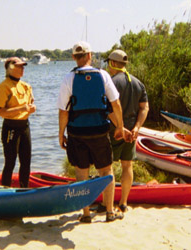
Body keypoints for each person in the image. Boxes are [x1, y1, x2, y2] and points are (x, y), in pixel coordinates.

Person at [57, 41, 128, 223]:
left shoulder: (68, 79)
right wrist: (120, 126)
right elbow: (116, 104)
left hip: (77, 133)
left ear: (74, 57)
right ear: (90, 55)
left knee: (82, 173)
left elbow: (63, 111)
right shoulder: (103, 75)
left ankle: (86, 213)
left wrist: (61, 134)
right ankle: (110, 212)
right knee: (106, 170)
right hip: (99, 131)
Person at [104, 49, 149, 214]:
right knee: (127, 165)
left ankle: (106, 203)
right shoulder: (138, 83)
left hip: (114, 130)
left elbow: (108, 109)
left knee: (107, 167)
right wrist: (136, 128)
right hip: (131, 132)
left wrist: (119, 127)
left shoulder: (111, 82)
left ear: (113, 63)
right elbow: (144, 108)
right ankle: (123, 202)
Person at [0, 57, 36, 188]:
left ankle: (24, 189)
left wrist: (31, 108)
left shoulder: (26, 86)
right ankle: (5, 190)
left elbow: (31, 103)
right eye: (19, 66)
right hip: (11, 127)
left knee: (26, 161)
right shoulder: (3, 87)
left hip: (24, 126)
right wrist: (21, 108)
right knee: (10, 162)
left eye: (23, 66)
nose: (22, 69)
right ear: (10, 68)